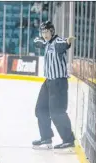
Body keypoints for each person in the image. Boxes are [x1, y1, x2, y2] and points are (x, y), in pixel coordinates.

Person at [33, 21, 76, 150]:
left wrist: (68, 42)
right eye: (43, 32)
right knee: (40, 109)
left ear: (52, 31)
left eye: (46, 32)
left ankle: (68, 140)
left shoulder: (57, 42)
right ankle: (46, 138)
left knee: (57, 112)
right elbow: (36, 42)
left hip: (59, 82)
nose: (44, 34)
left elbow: (63, 45)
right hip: (48, 82)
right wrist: (40, 39)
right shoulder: (46, 42)